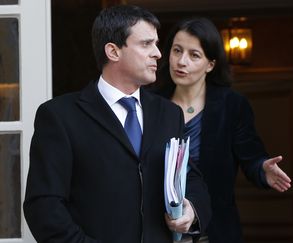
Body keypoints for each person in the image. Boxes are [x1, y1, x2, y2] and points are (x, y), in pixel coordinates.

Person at [23, 5, 211, 243]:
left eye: (156, 43)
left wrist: (191, 210)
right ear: (113, 51)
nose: (158, 53)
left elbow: (191, 179)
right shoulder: (59, 116)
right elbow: (44, 206)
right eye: (146, 44)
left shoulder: (169, 114)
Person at [153, 17, 292, 243]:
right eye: (177, 51)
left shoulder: (231, 105)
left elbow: (251, 157)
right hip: (158, 230)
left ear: (210, 64)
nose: (181, 61)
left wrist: (262, 169)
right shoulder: (151, 104)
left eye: (194, 55)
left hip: (214, 230)